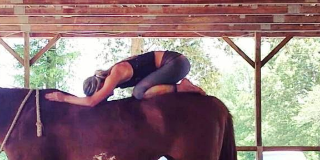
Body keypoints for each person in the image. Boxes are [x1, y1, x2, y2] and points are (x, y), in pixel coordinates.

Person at [45, 50, 205, 107]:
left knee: (139, 92)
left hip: (176, 63)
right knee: (141, 92)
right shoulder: (115, 75)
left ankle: (182, 87)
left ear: (100, 85)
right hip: (173, 64)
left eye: (100, 92)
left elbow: (92, 102)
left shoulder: (115, 74)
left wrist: (64, 98)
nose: (104, 97)